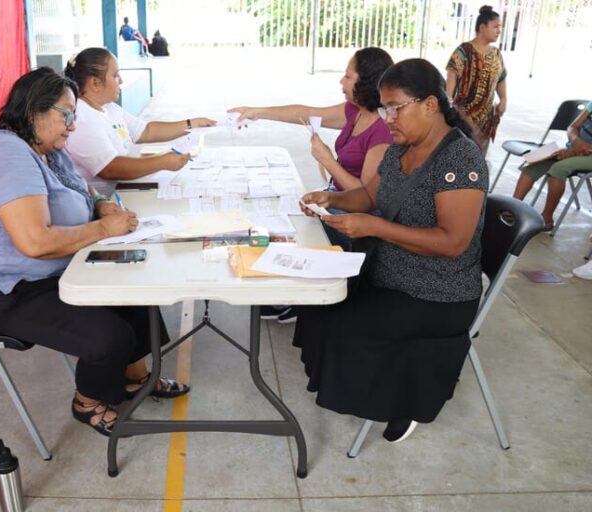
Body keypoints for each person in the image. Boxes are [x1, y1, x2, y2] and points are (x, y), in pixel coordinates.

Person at [0, 67, 189, 437]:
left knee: (137, 297)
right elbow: (33, 242)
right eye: (66, 115)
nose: (72, 126)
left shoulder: (47, 147)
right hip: (7, 289)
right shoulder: (8, 155)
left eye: (74, 117)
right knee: (109, 336)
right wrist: (101, 229)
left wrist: (101, 206)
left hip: (56, 270)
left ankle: (135, 380)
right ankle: (87, 402)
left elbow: (81, 189)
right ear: (34, 110)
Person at [295, 58, 488, 443]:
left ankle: (404, 399)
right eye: (385, 109)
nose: (388, 119)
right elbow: (370, 195)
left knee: (343, 325)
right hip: (390, 273)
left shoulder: (459, 160)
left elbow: (453, 242)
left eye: (396, 108)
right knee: (316, 304)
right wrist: (330, 197)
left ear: (430, 105)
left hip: (438, 294)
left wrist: (376, 226)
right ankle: (385, 389)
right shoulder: (400, 149)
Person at [229, 47, 394, 323]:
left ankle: (303, 299)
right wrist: (258, 112)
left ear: (366, 81)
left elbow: (366, 197)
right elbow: (305, 113)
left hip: (355, 215)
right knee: (283, 214)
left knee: (300, 228)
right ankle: (292, 295)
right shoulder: (356, 111)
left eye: (347, 76)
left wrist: (327, 160)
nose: (341, 82)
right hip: (335, 200)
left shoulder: (382, 129)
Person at [64, 47, 215, 196]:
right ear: (95, 83)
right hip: (105, 205)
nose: (121, 81)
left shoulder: (109, 108)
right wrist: (162, 162)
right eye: (115, 75)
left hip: (125, 192)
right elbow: (110, 168)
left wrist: (191, 124)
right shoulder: (82, 118)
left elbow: (147, 131)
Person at [512, 100, 592, 231]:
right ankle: (513, 208)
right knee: (534, 162)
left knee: (559, 168)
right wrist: (575, 141)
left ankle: (547, 218)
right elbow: (573, 126)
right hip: (576, 147)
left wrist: (577, 151)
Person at [446, 5, 507, 154]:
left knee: (479, 157)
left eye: (500, 27)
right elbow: (451, 75)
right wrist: (448, 102)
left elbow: (501, 78)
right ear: (482, 27)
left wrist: (504, 99)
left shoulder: (496, 54)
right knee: (460, 155)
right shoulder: (464, 50)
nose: (499, 31)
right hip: (463, 116)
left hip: (486, 119)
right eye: (495, 27)